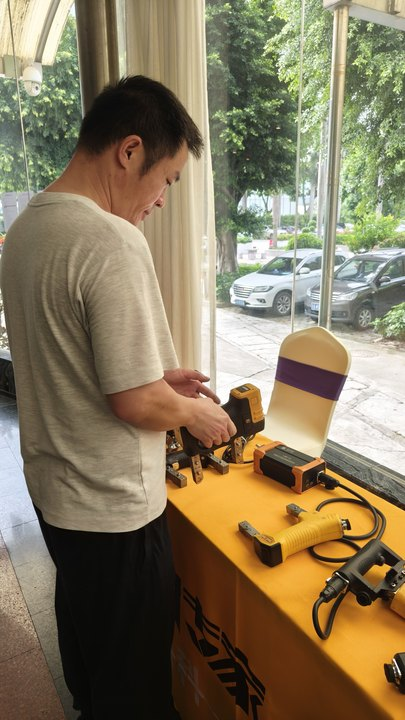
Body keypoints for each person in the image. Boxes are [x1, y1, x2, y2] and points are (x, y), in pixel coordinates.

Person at [0, 75, 236, 720]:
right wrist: (196, 413)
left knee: (90, 651)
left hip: (56, 496)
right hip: (114, 512)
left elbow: (67, 361)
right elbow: (132, 403)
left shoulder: (26, 231)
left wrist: (161, 383)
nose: (160, 200)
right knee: (134, 688)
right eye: (168, 180)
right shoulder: (110, 239)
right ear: (130, 151)